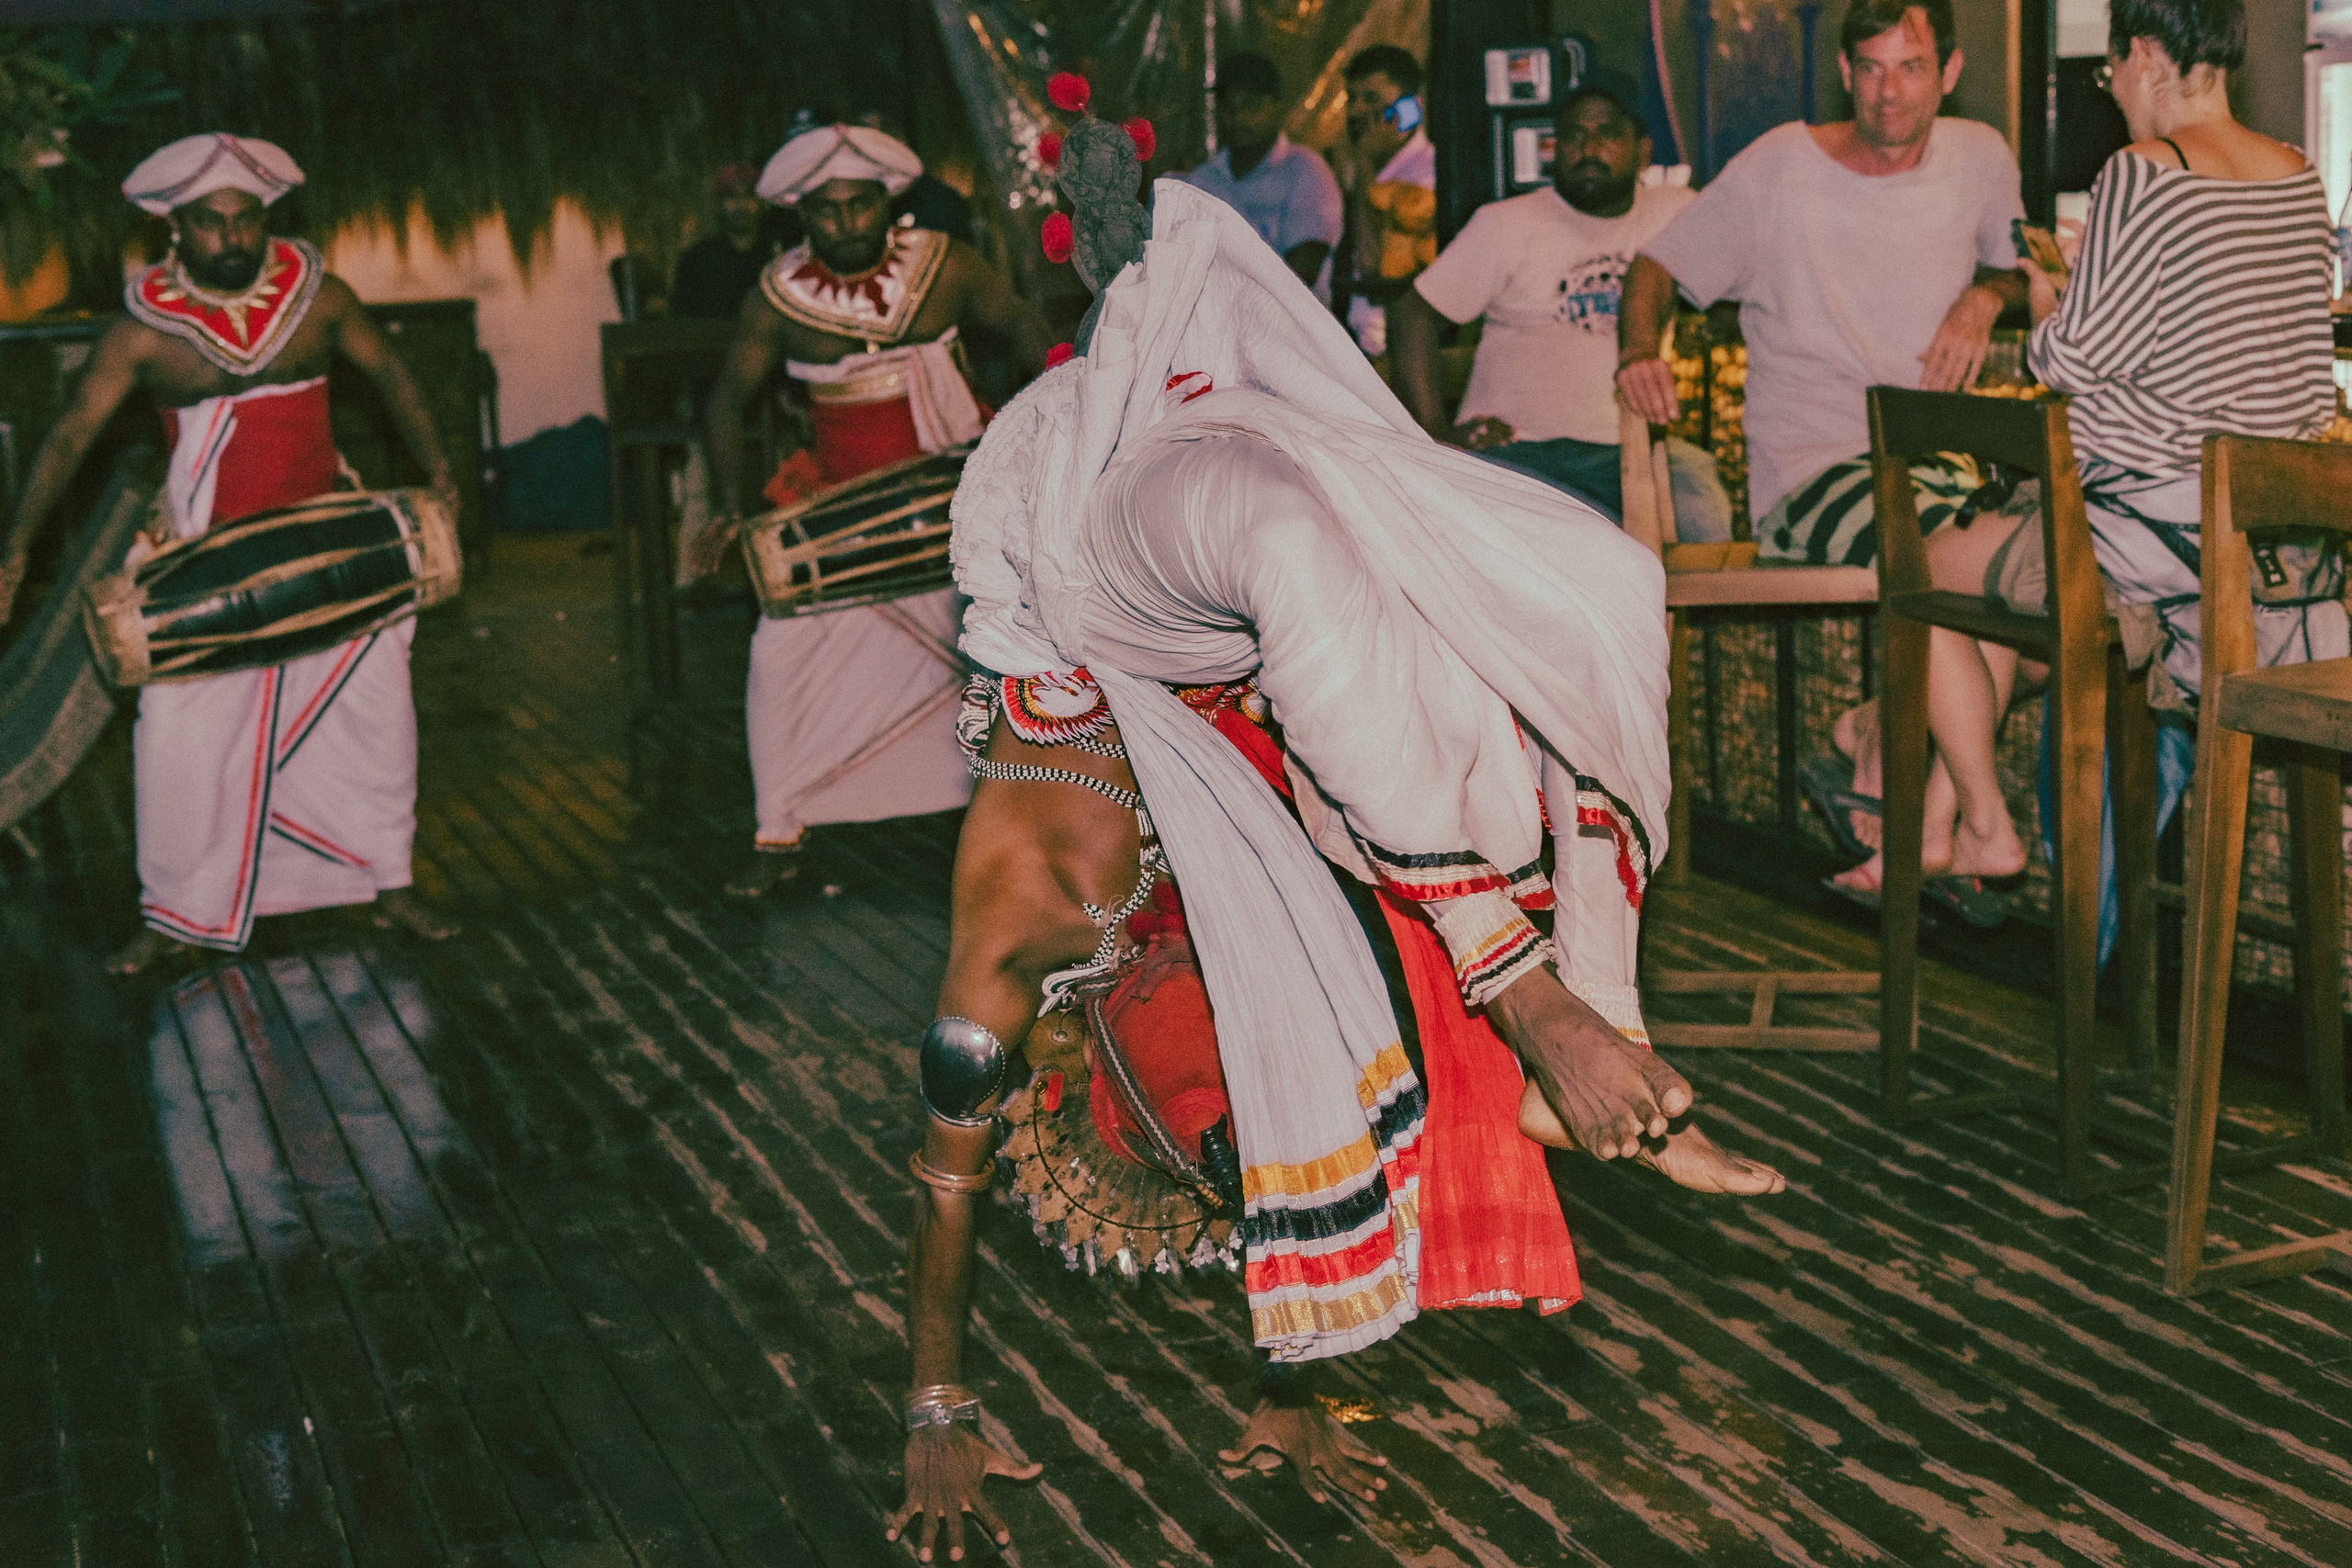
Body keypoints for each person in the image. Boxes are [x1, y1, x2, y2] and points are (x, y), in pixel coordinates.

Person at [888, 100, 1783, 1562]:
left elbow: (948, 1161)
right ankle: (1546, 995)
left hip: (1119, 577)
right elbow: (1259, 1105)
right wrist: (1273, 1374)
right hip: (1187, 580)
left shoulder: (1034, 897)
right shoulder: (1207, 878)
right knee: (1357, 554)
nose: (1265, 1136)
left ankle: (1576, 1004)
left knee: (1597, 584)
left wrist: (938, 1394)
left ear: (1094, 1051)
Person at [0, 133, 459, 973]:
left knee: (375, 717)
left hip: (327, 544)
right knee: (175, 730)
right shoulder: (143, 333)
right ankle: (175, 912)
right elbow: (70, 436)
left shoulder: (319, 300)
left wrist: (437, 469)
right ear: (175, 229)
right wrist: (17, 546)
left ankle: (387, 881)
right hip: (203, 561)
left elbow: (392, 372)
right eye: (211, 224)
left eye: (245, 220)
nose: (232, 239)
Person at [1616, 0, 2030, 909]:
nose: (1890, 92)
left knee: (2044, 598)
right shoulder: (1778, 169)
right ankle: (1986, 828)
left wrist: (1985, 298)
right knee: (1971, 580)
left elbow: (2014, 265)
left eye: (1911, 67)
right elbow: (1654, 269)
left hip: (1939, 467)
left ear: (1949, 73)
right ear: (1844, 71)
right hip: (1814, 474)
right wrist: (1638, 353)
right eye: (1872, 68)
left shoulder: (1981, 157)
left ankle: (1892, 770)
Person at [697, 122, 1053, 898]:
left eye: (861, 206)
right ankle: (778, 834)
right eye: (828, 212)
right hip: (844, 519)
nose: (847, 225)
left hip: (958, 497)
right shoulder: (778, 296)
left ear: (888, 202)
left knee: (1010, 645)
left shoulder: (946, 266)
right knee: (777, 652)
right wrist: (728, 505)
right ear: (800, 213)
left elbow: (1028, 328)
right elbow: (727, 402)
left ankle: (1014, 805)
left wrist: (1063, 425)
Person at [1391, 69, 1733, 536]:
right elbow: (1413, 314)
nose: (1588, 149)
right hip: (1517, 452)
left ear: (1642, 151)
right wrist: (1434, 432)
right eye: (1572, 135)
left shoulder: (1674, 212)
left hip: (1629, 451)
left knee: (1697, 503)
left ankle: (1680, 612)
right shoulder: (1506, 224)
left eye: (1607, 133)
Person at [1182, 51, 1344, 299]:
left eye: (1252, 106)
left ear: (1278, 108)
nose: (1239, 118)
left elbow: (1300, 276)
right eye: (1229, 107)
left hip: (1293, 332)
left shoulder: (1306, 171)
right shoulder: (1203, 179)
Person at [1332, 44, 1435, 355]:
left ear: (1409, 109)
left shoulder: (1427, 174)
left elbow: (1373, 265)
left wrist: (1363, 161)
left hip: (1393, 351)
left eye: (1372, 99)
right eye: (1352, 98)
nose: (1356, 111)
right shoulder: (1363, 166)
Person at [669, 163, 787, 321]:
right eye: (732, 197)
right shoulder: (697, 259)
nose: (741, 205)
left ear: (761, 203)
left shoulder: (779, 258)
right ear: (719, 203)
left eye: (749, 196)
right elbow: (681, 316)